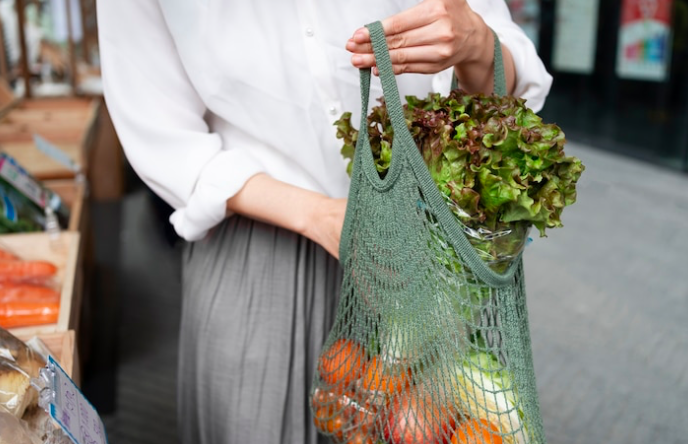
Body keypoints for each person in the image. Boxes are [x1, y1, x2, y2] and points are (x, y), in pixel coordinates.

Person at [96, 1, 552, 443]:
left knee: (423, 422)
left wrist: (475, 42)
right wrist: (319, 215)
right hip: (257, 252)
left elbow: (510, 87)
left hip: (422, 247)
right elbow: (161, 133)